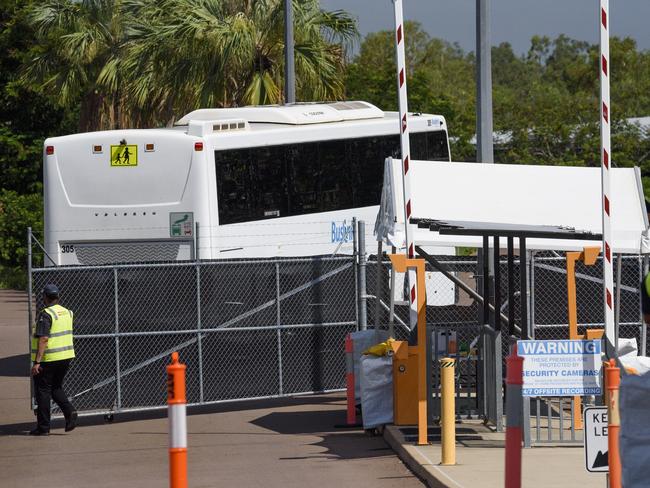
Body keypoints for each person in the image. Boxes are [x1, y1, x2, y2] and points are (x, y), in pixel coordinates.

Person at [30, 284, 77, 435]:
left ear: (45, 297)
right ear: (57, 297)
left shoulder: (46, 314)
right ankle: (70, 412)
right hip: (66, 356)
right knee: (56, 387)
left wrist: (37, 362)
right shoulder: (67, 312)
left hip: (49, 358)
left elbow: (43, 339)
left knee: (42, 391)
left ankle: (43, 428)